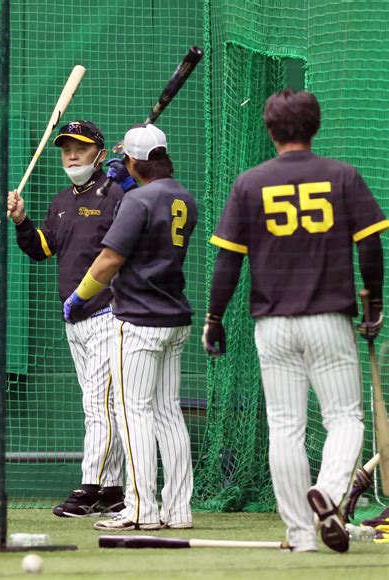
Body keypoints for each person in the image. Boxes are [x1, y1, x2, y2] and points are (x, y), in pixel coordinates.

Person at [202, 90, 387, 553]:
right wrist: (375, 303)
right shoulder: (342, 176)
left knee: (285, 425)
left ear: (269, 130)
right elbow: (369, 246)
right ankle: (327, 493)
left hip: (273, 324)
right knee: (345, 417)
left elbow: (228, 262)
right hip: (329, 317)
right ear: (315, 126)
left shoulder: (249, 183)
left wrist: (214, 317)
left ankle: (301, 534)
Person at [63, 124, 197, 531]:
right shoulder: (184, 198)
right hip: (175, 320)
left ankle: (141, 508)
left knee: (132, 413)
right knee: (168, 414)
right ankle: (178, 510)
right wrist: (130, 186)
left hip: (138, 320)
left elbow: (107, 261)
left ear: (136, 162)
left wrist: (80, 297)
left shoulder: (136, 202)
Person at [7, 120, 132, 518]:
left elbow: (130, 239)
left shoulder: (115, 193)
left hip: (108, 313)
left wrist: (125, 177)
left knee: (99, 405)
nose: (71, 155)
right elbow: (41, 249)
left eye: (79, 147)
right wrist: (22, 221)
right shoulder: (61, 201)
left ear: (97, 153)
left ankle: (89, 487)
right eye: (65, 149)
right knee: (102, 406)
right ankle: (111, 490)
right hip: (73, 319)